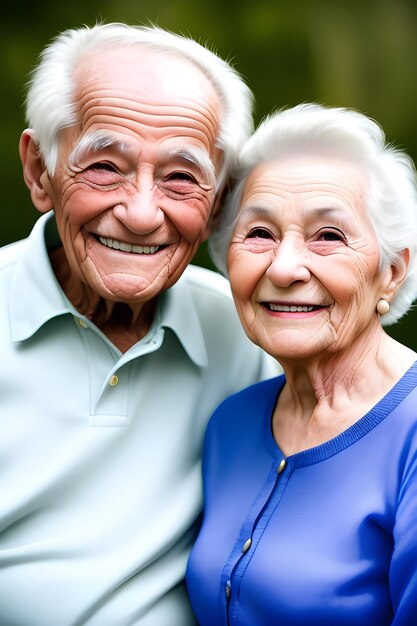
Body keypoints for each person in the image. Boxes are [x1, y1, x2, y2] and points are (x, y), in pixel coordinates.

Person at [0, 22, 278, 625]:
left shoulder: (251, 333)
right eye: (104, 166)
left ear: (220, 199)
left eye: (181, 177)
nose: (142, 212)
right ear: (39, 170)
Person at [186, 103, 417, 625]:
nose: (285, 267)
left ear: (392, 271)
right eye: (260, 234)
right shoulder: (232, 423)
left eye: (328, 236)